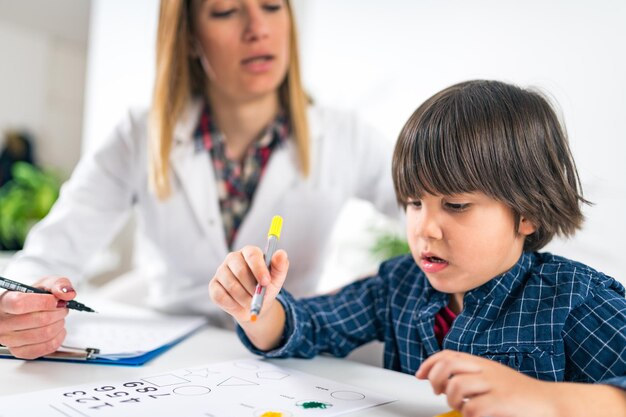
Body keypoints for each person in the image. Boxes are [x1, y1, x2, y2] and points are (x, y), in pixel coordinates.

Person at [0, 0, 398, 360]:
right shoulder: (139, 134)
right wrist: (21, 305)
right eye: (226, 11)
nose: (257, 28)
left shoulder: (345, 136)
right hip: (170, 357)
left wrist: (372, 291)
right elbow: (49, 255)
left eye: (273, 6)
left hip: (288, 353)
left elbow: (436, 220)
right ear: (189, 36)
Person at [209, 80, 626, 417]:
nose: (425, 228)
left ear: (527, 214)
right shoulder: (399, 285)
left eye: (456, 205)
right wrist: (257, 308)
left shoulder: (575, 301)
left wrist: (544, 400)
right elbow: (308, 326)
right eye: (413, 203)